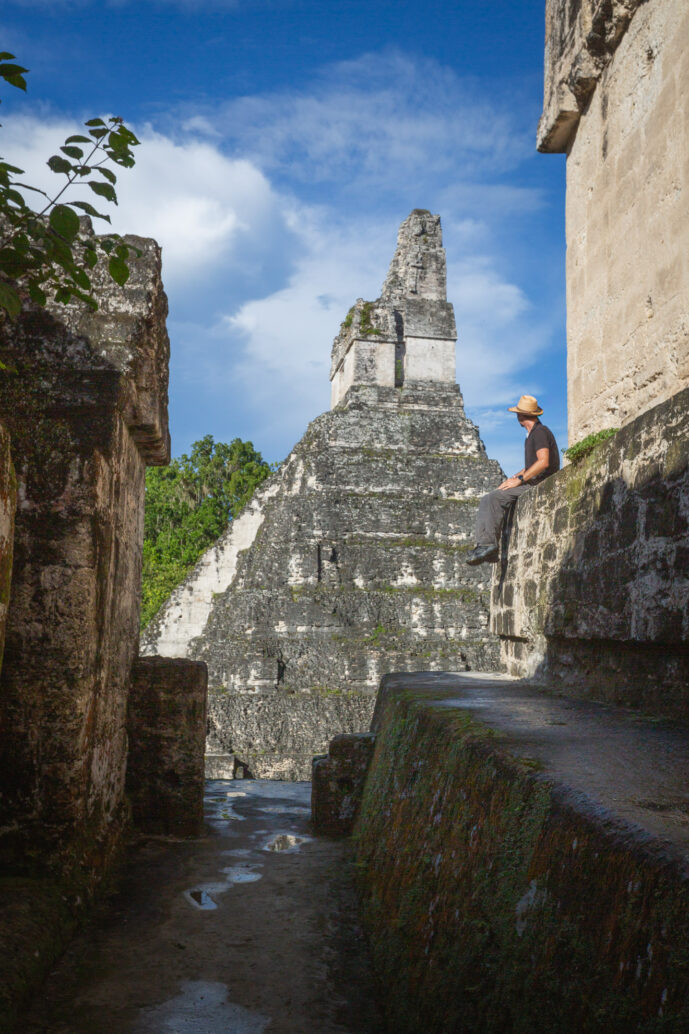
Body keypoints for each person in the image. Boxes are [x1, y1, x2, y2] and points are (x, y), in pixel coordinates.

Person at [466, 395, 560, 566]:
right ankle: (489, 551)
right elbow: (531, 465)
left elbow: (543, 461)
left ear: (521, 416)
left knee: (492, 498)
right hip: (531, 481)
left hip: (539, 484)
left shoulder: (539, 432)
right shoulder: (534, 434)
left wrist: (520, 480)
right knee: (498, 492)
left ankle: (487, 545)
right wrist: (514, 478)